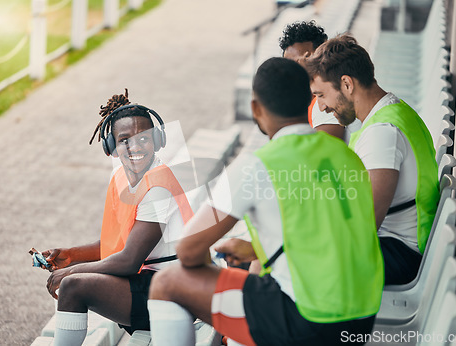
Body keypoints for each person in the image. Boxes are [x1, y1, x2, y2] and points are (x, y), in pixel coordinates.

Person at [147, 57, 384, 346]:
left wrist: (211, 279)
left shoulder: (257, 164)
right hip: (363, 317)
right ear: (308, 100)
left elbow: (187, 249)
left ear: (256, 109)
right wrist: (256, 249)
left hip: (308, 321)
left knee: (166, 283)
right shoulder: (346, 155)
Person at [37, 89, 193, 346]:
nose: (135, 147)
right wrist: (73, 254)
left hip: (174, 292)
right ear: (111, 146)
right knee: (74, 282)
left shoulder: (158, 188)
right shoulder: (121, 177)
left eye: (144, 138)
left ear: (157, 140)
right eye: (124, 140)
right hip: (150, 283)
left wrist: (70, 273)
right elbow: (119, 244)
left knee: (73, 287)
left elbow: (128, 261)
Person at [302, 34, 439, 285]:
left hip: (400, 254)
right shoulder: (393, 112)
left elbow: (363, 226)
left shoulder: (382, 132)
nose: (321, 107)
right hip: (399, 246)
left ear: (346, 84)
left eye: (321, 95)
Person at [279, 20, 361, 142]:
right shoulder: (310, 99)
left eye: (300, 62)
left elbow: (323, 153)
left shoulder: (327, 100)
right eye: (288, 65)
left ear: (322, 56)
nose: (292, 72)